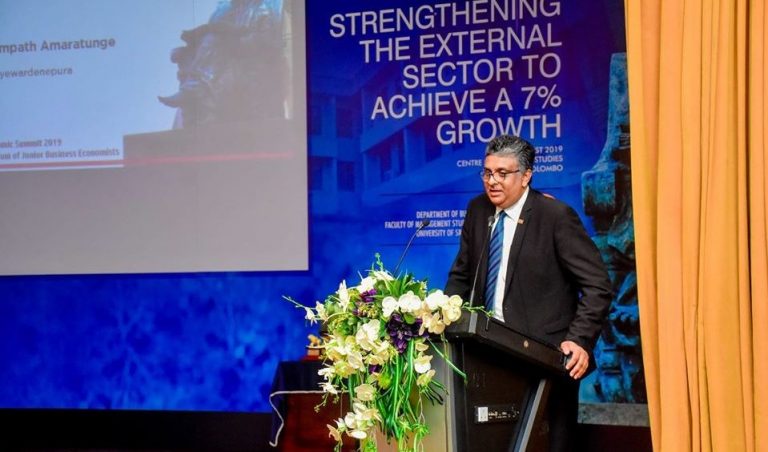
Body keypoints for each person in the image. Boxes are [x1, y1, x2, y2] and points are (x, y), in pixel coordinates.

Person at [445, 134, 613, 451]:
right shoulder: (478, 210)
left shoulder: (555, 216)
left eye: (502, 173)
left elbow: (597, 285)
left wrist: (580, 339)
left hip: (545, 360)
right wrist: (444, 320)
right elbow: (461, 276)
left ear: (525, 176)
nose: (492, 181)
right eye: (487, 172)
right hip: (488, 358)